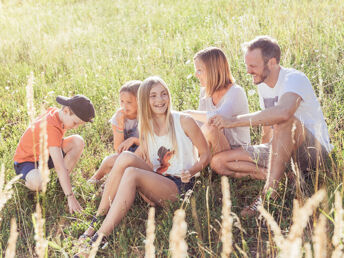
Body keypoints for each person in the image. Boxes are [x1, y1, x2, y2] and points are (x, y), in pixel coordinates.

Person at [75, 76, 210, 255]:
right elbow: (136, 158)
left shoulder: (184, 121)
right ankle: (93, 224)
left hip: (180, 186)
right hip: (157, 180)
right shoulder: (146, 126)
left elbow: (206, 154)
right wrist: (111, 180)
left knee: (131, 173)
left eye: (163, 94)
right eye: (153, 96)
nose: (160, 100)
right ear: (145, 100)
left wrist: (192, 170)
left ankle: (98, 239)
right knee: (125, 159)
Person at [209, 36, 333, 216]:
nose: (248, 71)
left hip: (312, 153)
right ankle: (280, 176)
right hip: (280, 149)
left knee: (285, 121)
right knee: (219, 162)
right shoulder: (264, 85)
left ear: (272, 62)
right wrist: (261, 149)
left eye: (253, 66)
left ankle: (269, 194)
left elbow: (283, 113)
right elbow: (267, 124)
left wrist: (233, 121)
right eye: (247, 65)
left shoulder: (294, 79)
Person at [13, 95, 95, 214]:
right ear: (66, 111)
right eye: (75, 123)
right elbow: (59, 166)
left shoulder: (58, 115)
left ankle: (61, 184)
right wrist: (70, 197)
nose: (75, 127)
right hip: (27, 162)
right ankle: (27, 180)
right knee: (39, 182)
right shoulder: (50, 126)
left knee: (78, 141)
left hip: (45, 155)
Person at [185, 47, 250, 155]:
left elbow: (217, 117)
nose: (196, 74)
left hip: (238, 150)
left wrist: (189, 113)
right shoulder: (205, 92)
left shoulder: (235, 92)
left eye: (199, 70)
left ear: (213, 71)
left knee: (211, 128)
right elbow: (199, 125)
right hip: (215, 149)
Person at [88, 80, 141, 184]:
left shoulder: (147, 118)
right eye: (122, 101)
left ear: (140, 101)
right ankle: (96, 177)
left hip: (143, 154)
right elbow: (118, 148)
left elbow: (150, 143)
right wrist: (120, 127)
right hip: (125, 154)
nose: (124, 106)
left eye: (129, 102)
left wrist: (133, 140)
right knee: (110, 160)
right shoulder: (118, 118)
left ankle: (113, 180)